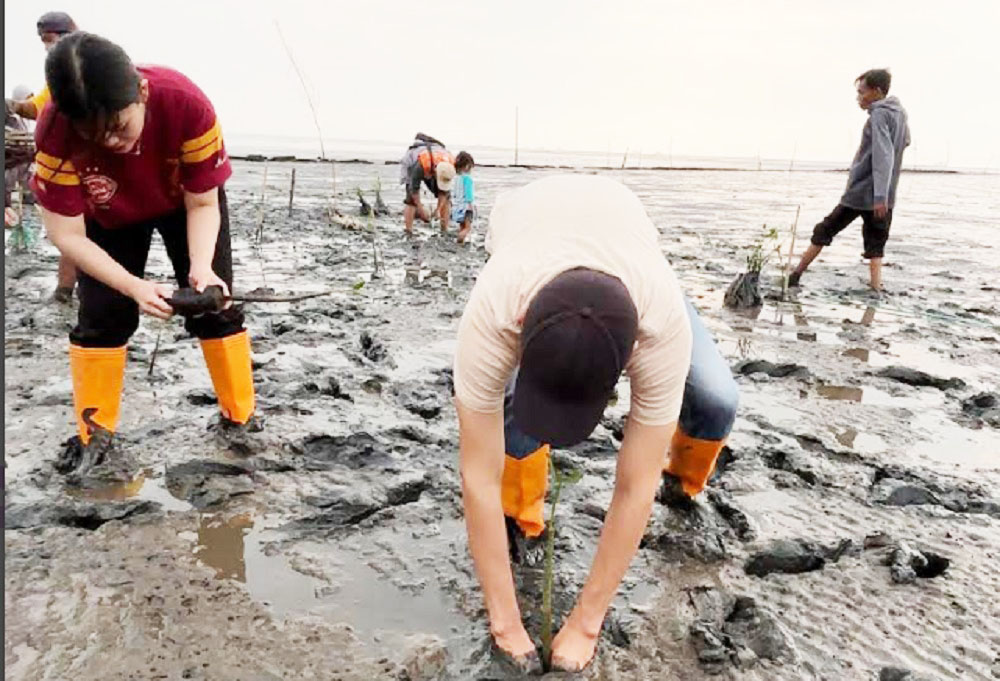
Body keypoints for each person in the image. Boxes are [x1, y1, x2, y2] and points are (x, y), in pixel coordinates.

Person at [453, 174, 739, 672]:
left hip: (631, 255)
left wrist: (588, 622)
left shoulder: (659, 327)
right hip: (532, 236)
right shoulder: (495, 309)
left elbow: (634, 484)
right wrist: (506, 622)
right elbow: (477, 472)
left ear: (631, 357)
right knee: (515, 430)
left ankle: (688, 483)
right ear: (520, 328)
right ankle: (522, 509)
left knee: (717, 399)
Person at [31, 32, 258, 470]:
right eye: (94, 136)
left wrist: (202, 267)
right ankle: (94, 436)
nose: (112, 143)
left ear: (142, 92)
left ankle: (240, 419)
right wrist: (134, 286)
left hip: (184, 203)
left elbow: (204, 202)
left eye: (118, 126)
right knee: (101, 317)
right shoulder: (55, 134)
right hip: (107, 216)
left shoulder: (185, 104)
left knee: (214, 303)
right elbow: (67, 236)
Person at [789, 68, 910, 291]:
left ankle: (795, 275)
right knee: (876, 245)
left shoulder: (879, 114)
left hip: (864, 192)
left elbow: (884, 155)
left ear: (877, 91)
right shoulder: (900, 113)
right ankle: (875, 291)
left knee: (825, 230)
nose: (859, 98)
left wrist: (879, 194)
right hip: (885, 195)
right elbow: (905, 142)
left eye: (862, 93)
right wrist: (885, 192)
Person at [9, 11, 80, 301]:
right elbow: (37, 108)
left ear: (65, 35)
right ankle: (65, 291)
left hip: (90, 160)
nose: (47, 48)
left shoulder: (88, 66)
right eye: (43, 43)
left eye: (49, 41)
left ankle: (85, 289)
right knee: (73, 233)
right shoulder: (56, 79)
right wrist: (12, 105)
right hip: (65, 165)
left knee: (88, 233)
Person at [399, 132, 456, 235]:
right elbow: (414, 190)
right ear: (434, 172)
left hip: (435, 159)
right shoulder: (420, 166)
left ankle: (444, 229)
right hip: (417, 162)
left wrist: (437, 210)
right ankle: (408, 230)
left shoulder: (450, 165)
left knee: (447, 198)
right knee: (410, 200)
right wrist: (421, 211)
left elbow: (444, 192)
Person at [450, 151, 475, 244]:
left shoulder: (456, 178)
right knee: (467, 228)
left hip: (457, 206)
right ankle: (460, 240)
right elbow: (469, 193)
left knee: (461, 226)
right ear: (467, 166)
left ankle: (461, 241)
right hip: (466, 207)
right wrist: (471, 204)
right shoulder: (467, 178)